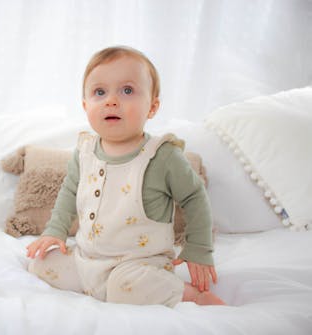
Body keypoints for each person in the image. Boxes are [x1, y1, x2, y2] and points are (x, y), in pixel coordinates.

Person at [26, 46, 225, 307]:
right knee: (39, 264)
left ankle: (191, 295)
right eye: (100, 92)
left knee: (126, 287)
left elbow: (194, 196)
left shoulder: (161, 156)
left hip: (138, 264)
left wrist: (199, 248)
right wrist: (55, 232)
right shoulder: (85, 151)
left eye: (127, 91)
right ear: (86, 105)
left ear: (152, 107)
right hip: (87, 260)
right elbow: (69, 192)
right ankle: (96, 285)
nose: (111, 100)